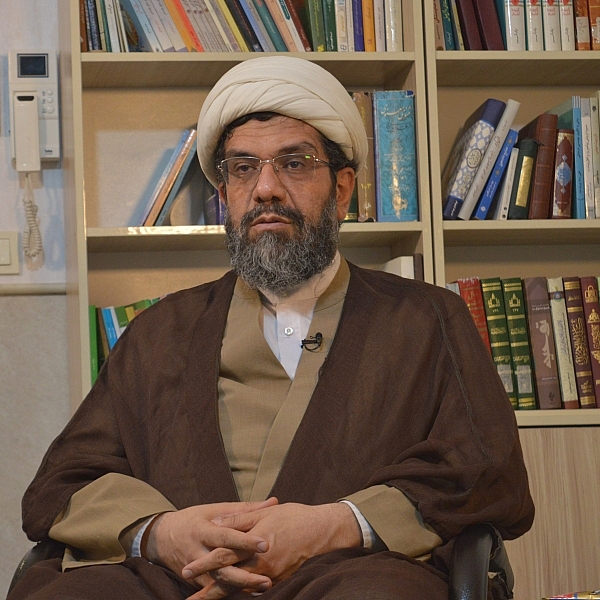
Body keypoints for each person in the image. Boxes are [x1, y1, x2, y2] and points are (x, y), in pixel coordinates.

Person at [9, 56, 534, 600]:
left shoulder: (426, 320)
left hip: (346, 573)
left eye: (295, 163)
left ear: (343, 190)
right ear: (225, 197)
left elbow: (488, 471)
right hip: (175, 580)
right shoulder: (158, 332)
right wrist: (162, 534)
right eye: (243, 168)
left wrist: (336, 526)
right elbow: (63, 484)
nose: (265, 188)